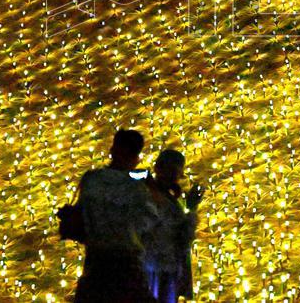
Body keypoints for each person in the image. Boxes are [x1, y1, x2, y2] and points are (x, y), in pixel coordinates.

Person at [74, 129, 159, 303]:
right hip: (126, 265)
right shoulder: (135, 189)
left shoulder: (91, 180)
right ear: (135, 156)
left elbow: (81, 214)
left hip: (96, 262)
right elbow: (149, 222)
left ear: (113, 149)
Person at [142, 149, 203, 303]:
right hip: (155, 269)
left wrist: (191, 208)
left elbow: (183, 235)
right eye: (171, 171)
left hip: (166, 268)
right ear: (158, 168)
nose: (174, 177)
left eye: (177, 173)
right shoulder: (148, 195)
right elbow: (179, 233)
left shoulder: (170, 198)